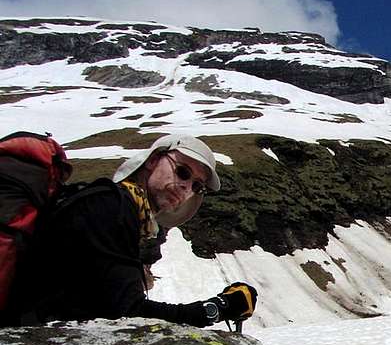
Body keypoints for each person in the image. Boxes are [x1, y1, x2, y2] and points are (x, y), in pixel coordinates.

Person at [12, 134, 257, 328]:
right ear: (152, 161)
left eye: (197, 186)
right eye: (182, 171)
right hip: (30, 337)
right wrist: (218, 308)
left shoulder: (116, 206)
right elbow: (130, 313)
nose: (186, 187)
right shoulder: (112, 207)